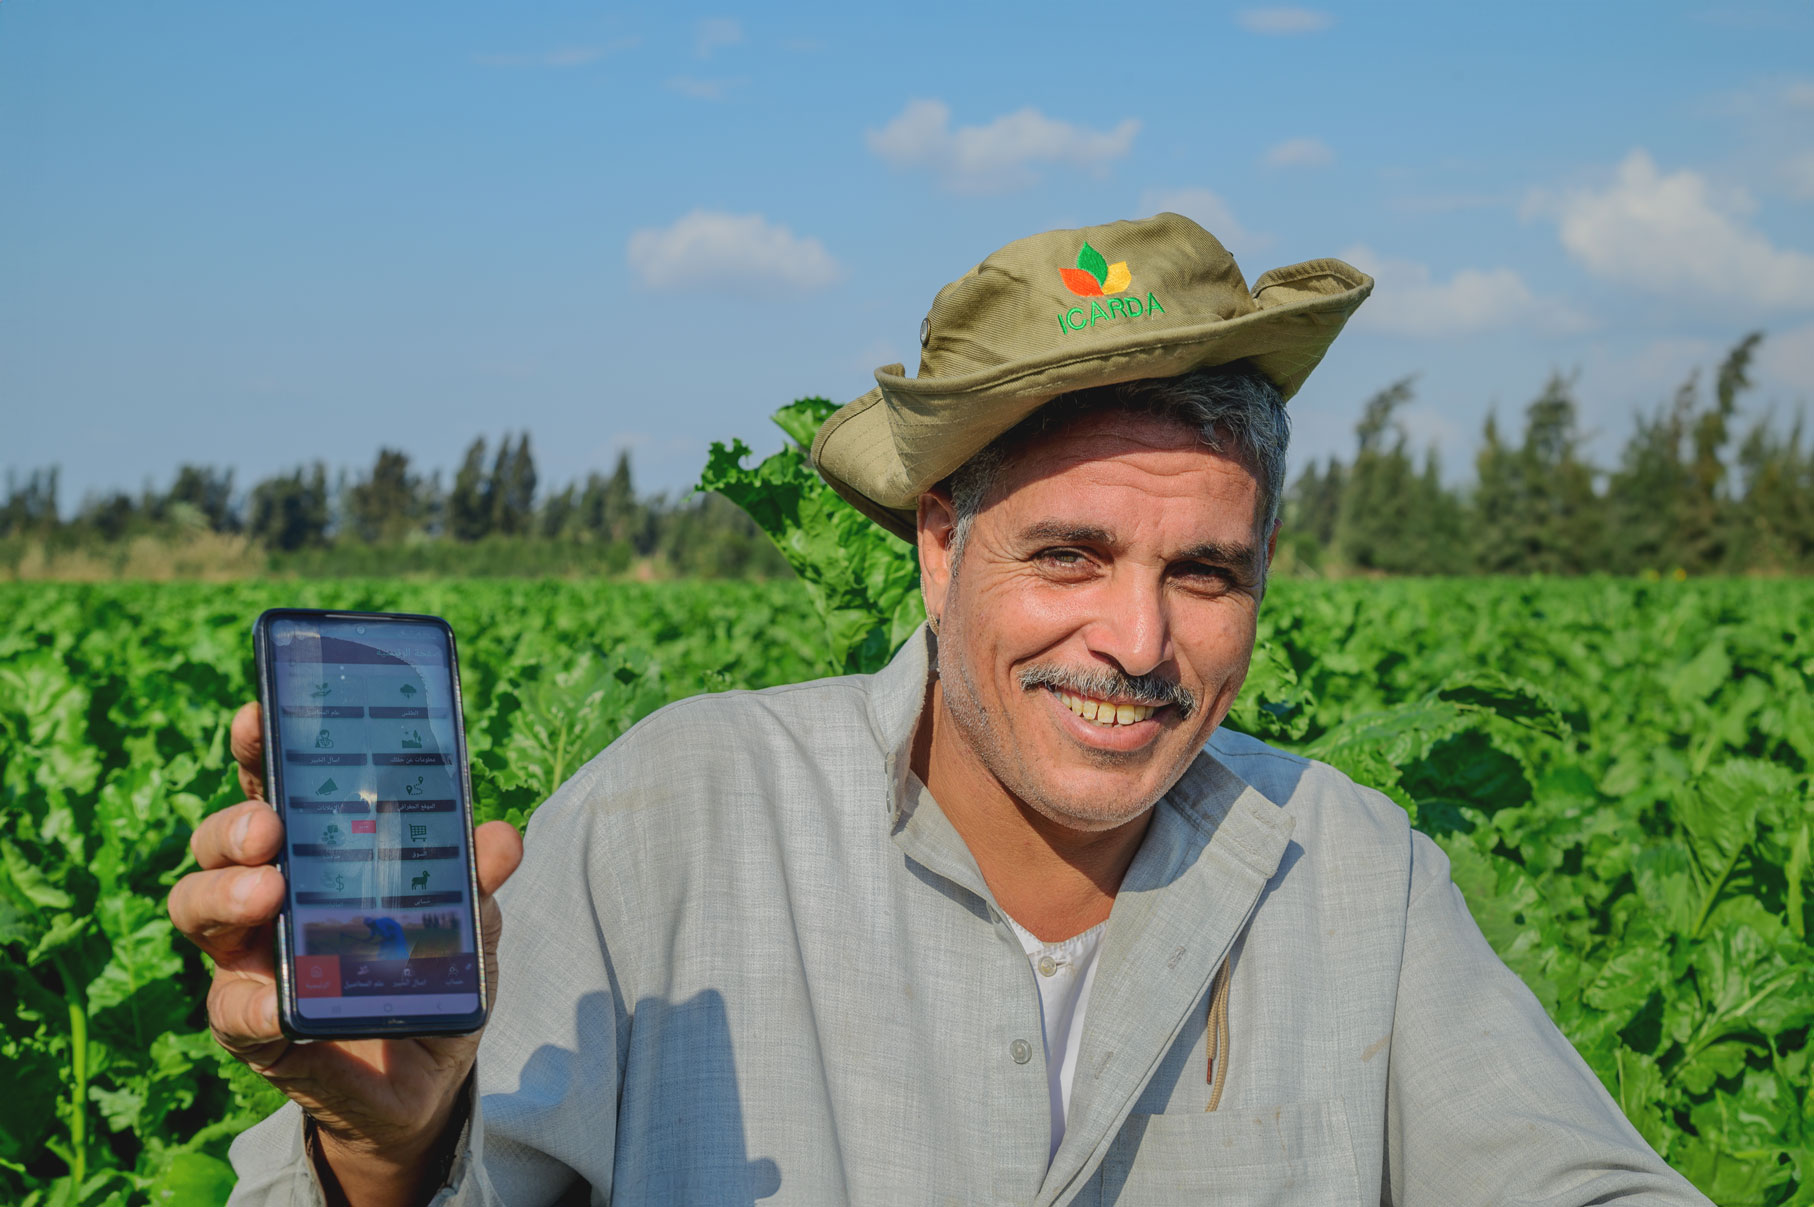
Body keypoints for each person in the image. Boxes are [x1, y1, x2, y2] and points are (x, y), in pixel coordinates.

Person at [169, 213, 1710, 1205]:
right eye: (1068, 554)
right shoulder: (677, 822)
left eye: (1207, 573)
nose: (1136, 639)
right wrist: (383, 1147)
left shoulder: (1350, 872)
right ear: (935, 540)